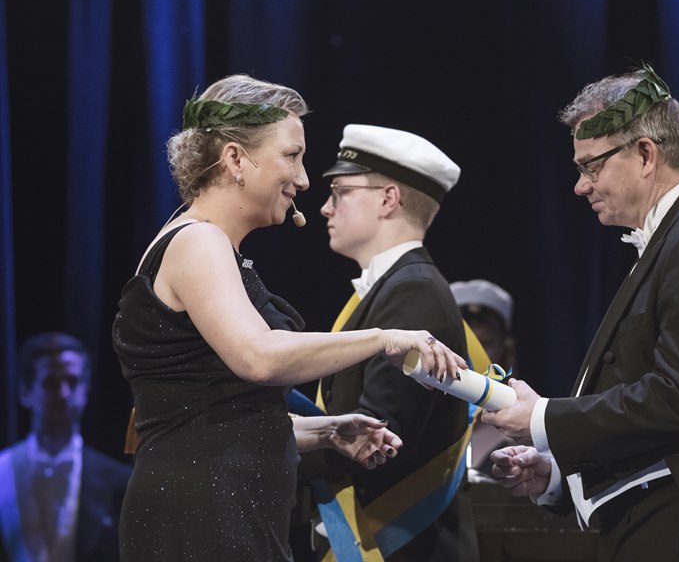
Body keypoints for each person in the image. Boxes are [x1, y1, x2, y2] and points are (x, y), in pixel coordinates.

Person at [111, 76, 466, 562]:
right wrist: (383, 338)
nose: (302, 180)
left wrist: (328, 432)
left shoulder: (204, 242)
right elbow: (258, 358)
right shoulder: (199, 241)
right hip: (204, 518)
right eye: (292, 156)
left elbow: (211, 416)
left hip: (219, 507)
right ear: (236, 159)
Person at [480, 65, 679, 561]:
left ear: (646, 155)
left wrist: (542, 417)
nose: (580, 186)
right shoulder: (677, 240)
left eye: (591, 166)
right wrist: (556, 473)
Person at [293, 125, 478, 562]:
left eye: (340, 192)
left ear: (388, 199)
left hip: (402, 546)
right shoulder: (395, 287)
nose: (325, 207)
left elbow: (381, 438)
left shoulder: (412, 291)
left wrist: (262, 445)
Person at [0, 332, 131, 562]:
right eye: (50, 383)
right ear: (25, 391)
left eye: (72, 381)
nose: (63, 394)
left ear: (86, 390)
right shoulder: (2, 470)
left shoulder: (119, 482)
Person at [449, 279, 517, 474]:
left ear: (505, 351)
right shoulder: (423, 431)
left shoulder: (523, 437)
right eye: (465, 344)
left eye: (485, 344)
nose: (473, 357)